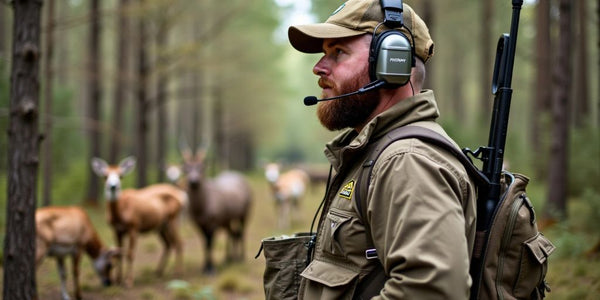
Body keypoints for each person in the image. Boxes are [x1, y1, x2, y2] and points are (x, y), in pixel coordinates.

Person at [287, 0, 477, 298]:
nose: (318, 67)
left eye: (338, 52)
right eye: (324, 53)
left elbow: (432, 291)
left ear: (392, 62)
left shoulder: (407, 162)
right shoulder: (378, 154)